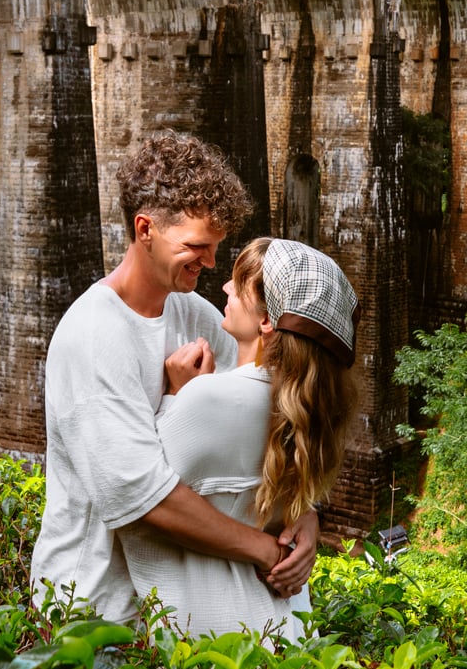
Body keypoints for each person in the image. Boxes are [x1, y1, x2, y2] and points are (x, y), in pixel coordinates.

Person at [31, 133, 319, 625]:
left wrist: (304, 514)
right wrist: (264, 550)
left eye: (215, 248)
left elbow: (263, 419)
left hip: (171, 612)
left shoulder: (196, 314)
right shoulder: (94, 335)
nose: (210, 264)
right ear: (145, 230)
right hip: (94, 612)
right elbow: (141, 500)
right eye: (197, 247)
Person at [123, 235, 358, 639]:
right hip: (287, 634)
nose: (226, 288)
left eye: (239, 284)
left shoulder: (208, 397)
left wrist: (177, 396)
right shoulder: (310, 412)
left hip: (216, 645)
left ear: (266, 320)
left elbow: (132, 491)